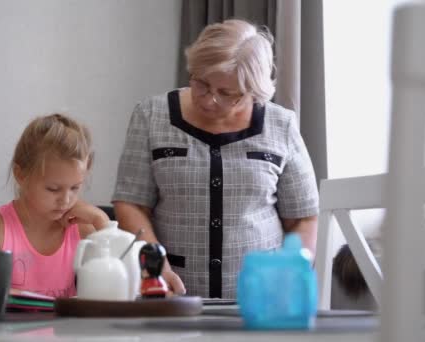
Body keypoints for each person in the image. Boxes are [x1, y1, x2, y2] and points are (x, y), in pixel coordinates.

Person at [112, 19, 319, 299]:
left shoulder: (280, 125)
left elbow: (303, 218)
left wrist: (289, 275)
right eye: (202, 84)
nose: (209, 100)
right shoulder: (151, 115)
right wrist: (155, 268)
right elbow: (132, 203)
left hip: (256, 297)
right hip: (172, 295)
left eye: (226, 93)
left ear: (253, 90)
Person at [0, 113, 110, 298]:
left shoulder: (81, 227)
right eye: (53, 189)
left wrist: (102, 221)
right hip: (4, 327)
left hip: (64, 328)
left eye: (75, 188)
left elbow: (128, 285)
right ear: (21, 174)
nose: (66, 200)